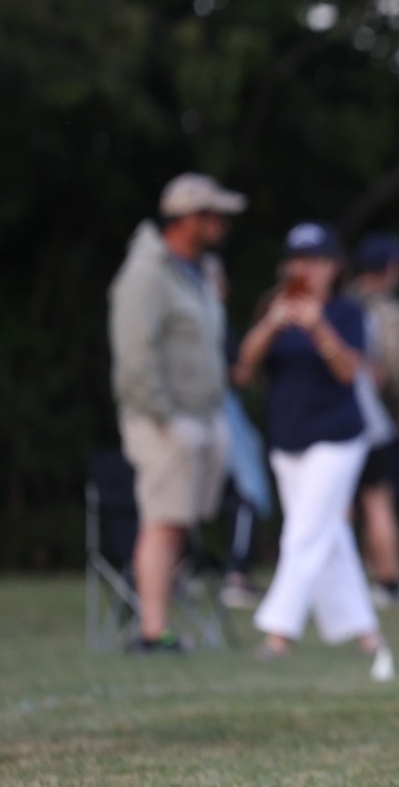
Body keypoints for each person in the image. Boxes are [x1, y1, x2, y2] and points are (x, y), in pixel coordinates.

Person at [231, 223, 389, 677]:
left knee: (302, 533)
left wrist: (317, 326)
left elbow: (347, 372)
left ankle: (278, 634)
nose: (307, 269)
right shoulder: (273, 309)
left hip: (338, 437)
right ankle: (365, 632)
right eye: (299, 260)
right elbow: (244, 368)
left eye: (316, 260)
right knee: (327, 535)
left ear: (334, 266)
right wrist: (273, 322)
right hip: (288, 439)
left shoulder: (345, 313)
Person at [107, 172, 245, 653]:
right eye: (214, 216)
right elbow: (133, 352)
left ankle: (157, 607)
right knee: (163, 520)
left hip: (205, 414)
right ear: (188, 218)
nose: (222, 224)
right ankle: (152, 631)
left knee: (184, 519)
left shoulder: (202, 271)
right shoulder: (146, 272)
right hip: (166, 420)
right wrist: (163, 416)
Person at [346, 233, 399, 608]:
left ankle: (343, 580)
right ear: (390, 267)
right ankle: (388, 580)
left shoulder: (339, 301)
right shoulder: (388, 310)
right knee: (378, 499)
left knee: (340, 502)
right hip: (372, 417)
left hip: (332, 414)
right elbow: (396, 368)